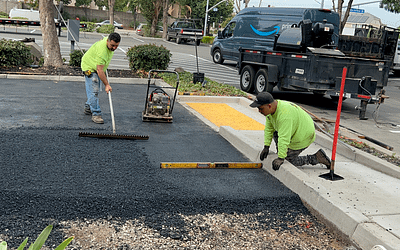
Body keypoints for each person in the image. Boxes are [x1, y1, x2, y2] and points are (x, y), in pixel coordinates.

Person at [250, 92, 331, 171]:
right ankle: (284, 152)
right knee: (276, 133)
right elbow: (269, 129)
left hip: (304, 136)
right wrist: (266, 147)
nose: (259, 111)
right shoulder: (271, 111)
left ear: (269, 106)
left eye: (261, 108)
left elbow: (284, 137)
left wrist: (281, 158)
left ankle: (316, 158)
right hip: (294, 130)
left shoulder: (284, 116)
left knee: (288, 161)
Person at [81, 32, 121, 124]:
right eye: (112, 45)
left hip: (96, 66)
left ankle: (88, 107)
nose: (114, 48)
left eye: (117, 46)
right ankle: (96, 113)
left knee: (94, 90)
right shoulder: (102, 51)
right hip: (89, 67)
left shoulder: (107, 40)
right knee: (94, 91)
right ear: (108, 41)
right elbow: (100, 71)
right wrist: (107, 84)